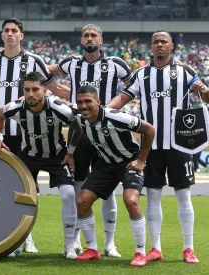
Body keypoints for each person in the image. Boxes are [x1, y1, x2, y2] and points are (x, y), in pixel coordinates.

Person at [107, 30, 209, 264]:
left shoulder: (185, 71)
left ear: (171, 46)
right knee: (153, 197)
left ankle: (189, 248)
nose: (159, 45)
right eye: (155, 42)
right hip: (151, 146)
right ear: (151, 46)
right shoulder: (142, 74)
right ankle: (155, 248)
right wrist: (105, 110)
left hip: (180, 144)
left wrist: (204, 90)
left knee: (184, 196)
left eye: (163, 41)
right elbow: (124, 97)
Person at [0, 17, 69, 253]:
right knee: (2, 186)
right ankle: (7, 235)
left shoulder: (34, 61)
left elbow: (53, 90)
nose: (10, 34)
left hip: (26, 135)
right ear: (2, 34)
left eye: (14, 30)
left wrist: (83, 100)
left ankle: (27, 237)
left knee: (26, 188)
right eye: (6, 30)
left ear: (21, 35)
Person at [48, 24, 133, 257]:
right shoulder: (71, 63)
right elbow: (47, 73)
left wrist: (111, 108)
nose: (89, 38)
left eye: (93, 35)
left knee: (109, 190)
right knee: (79, 186)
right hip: (80, 132)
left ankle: (110, 243)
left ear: (101, 40)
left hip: (108, 133)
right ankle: (75, 239)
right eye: (85, 35)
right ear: (81, 39)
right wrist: (60, 92)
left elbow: (134, 85)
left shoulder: (116, 64)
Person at [0, 72, 83, 259]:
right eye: (27, 90)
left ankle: (69, 245)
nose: (30, 94)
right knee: (21, 197)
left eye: (35, 89)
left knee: (69, 194)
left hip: (56, 156)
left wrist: (71, 152)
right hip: (28, 157)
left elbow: (78, 126)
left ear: (45, 90)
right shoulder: (17, 107)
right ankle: (19, 242)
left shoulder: (59, 108)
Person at [73, 85, 155, 266]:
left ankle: (140, 252)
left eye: (88, 101)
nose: (83, 105)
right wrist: (70, 153)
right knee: (82, 201)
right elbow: (76, 131)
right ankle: (92, 249)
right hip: (106, 164)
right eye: (79, 102)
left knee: (131, 200)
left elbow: (149, 129)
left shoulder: (115, 117)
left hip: (129, 162)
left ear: (98, 102)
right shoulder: (81, 119)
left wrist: (141, 161)